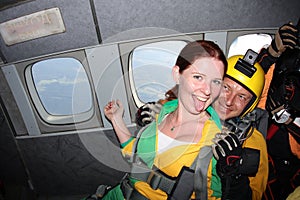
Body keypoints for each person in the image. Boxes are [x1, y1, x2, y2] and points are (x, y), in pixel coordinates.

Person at [136, 22, 299, 200]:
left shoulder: (251, 141)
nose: (229, 101)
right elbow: (161, 107)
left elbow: (253, 197)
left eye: (242, 97)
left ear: (250, 105)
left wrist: (234, 174)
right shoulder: (190, 103)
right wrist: (148, 117)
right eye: (226, 88)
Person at [102, 40, 227, 199]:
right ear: (177, 74)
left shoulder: (214, 141)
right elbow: (139, 157)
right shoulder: (162, 112)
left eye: (216, 81)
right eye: (198, 77)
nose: (208, 90)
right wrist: (116, 119)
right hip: (122, 193)